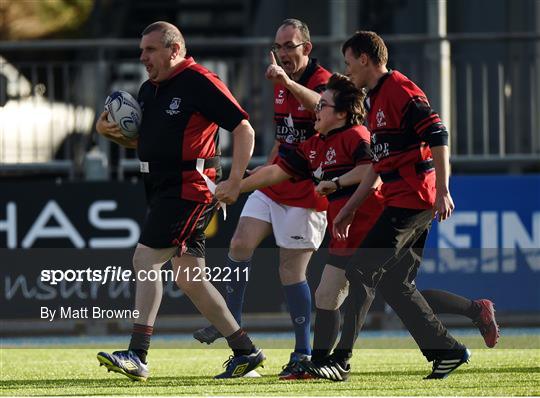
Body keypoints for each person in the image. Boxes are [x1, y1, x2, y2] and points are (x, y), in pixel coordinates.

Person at [302, 30, 495, 381]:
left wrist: (443, 191)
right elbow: (377, 165)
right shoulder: (375, 100)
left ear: (364, 58)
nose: (347, 71)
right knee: (395, 284)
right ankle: (447, 351)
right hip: (403, 198)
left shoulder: (400, 90)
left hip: (413, 199)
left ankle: (340, 360)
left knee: (362, 270)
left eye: (349, 62)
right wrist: (348, 208)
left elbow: (438, 135)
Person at [94, 21, 265, 380]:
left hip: (190, 189)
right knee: (190, 279)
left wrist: (235, 180)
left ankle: (137, 354)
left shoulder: (199, 81)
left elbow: (244, 128)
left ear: (174, 50)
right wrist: (111, 134)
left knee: (144, 259)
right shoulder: (147, 89)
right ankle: (245, 351)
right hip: (161, 188)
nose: (143, 57)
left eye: (150, 50)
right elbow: (147, 144)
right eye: (141, 50)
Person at [193, 18, 331, 379]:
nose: (283, 52)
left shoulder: (324, 82)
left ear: (307, 48)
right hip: (275, 181)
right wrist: (261, 170)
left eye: (290, 45)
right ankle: (234, 329)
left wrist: (287, 83)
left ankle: (302, 352)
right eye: (279, 45)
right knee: (239, 243)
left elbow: (325, 108)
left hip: (306, 191)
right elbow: (283, 138)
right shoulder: (279, 84)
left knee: (291, 270)